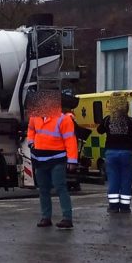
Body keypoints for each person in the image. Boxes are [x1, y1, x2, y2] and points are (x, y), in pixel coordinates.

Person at [26, 90, 77, 229]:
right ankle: (45, 217)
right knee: (43, 189)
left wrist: (72, 160)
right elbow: (31, 130)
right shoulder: (35, 116)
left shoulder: (63, 119)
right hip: (39, 158)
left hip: (57, 158)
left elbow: (70, 140)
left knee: (60, 187)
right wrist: (31, 142)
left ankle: (67, 218)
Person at [95, 98, 132, 213]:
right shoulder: (131, 122)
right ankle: (125, 206)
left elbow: (99, 130)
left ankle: (113, 206)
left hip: (111, 153)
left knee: (113, 179)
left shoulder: (108, 120)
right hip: (127, 153)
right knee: (126, 180)